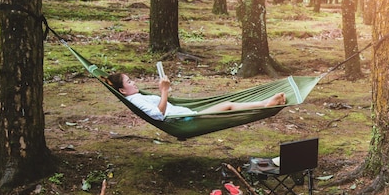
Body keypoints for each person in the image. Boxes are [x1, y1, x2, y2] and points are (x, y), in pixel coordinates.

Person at [107, 73, 286, 121]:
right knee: (228, 106)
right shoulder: (136, 99)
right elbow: (158, 115)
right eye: (129, 82)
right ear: (122, 91)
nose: (134, 83)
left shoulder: (137, 96)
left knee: (227, 104)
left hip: (186, 115)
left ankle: (266, 102)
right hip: (186, 121)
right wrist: (164, 91)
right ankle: (266, 104)